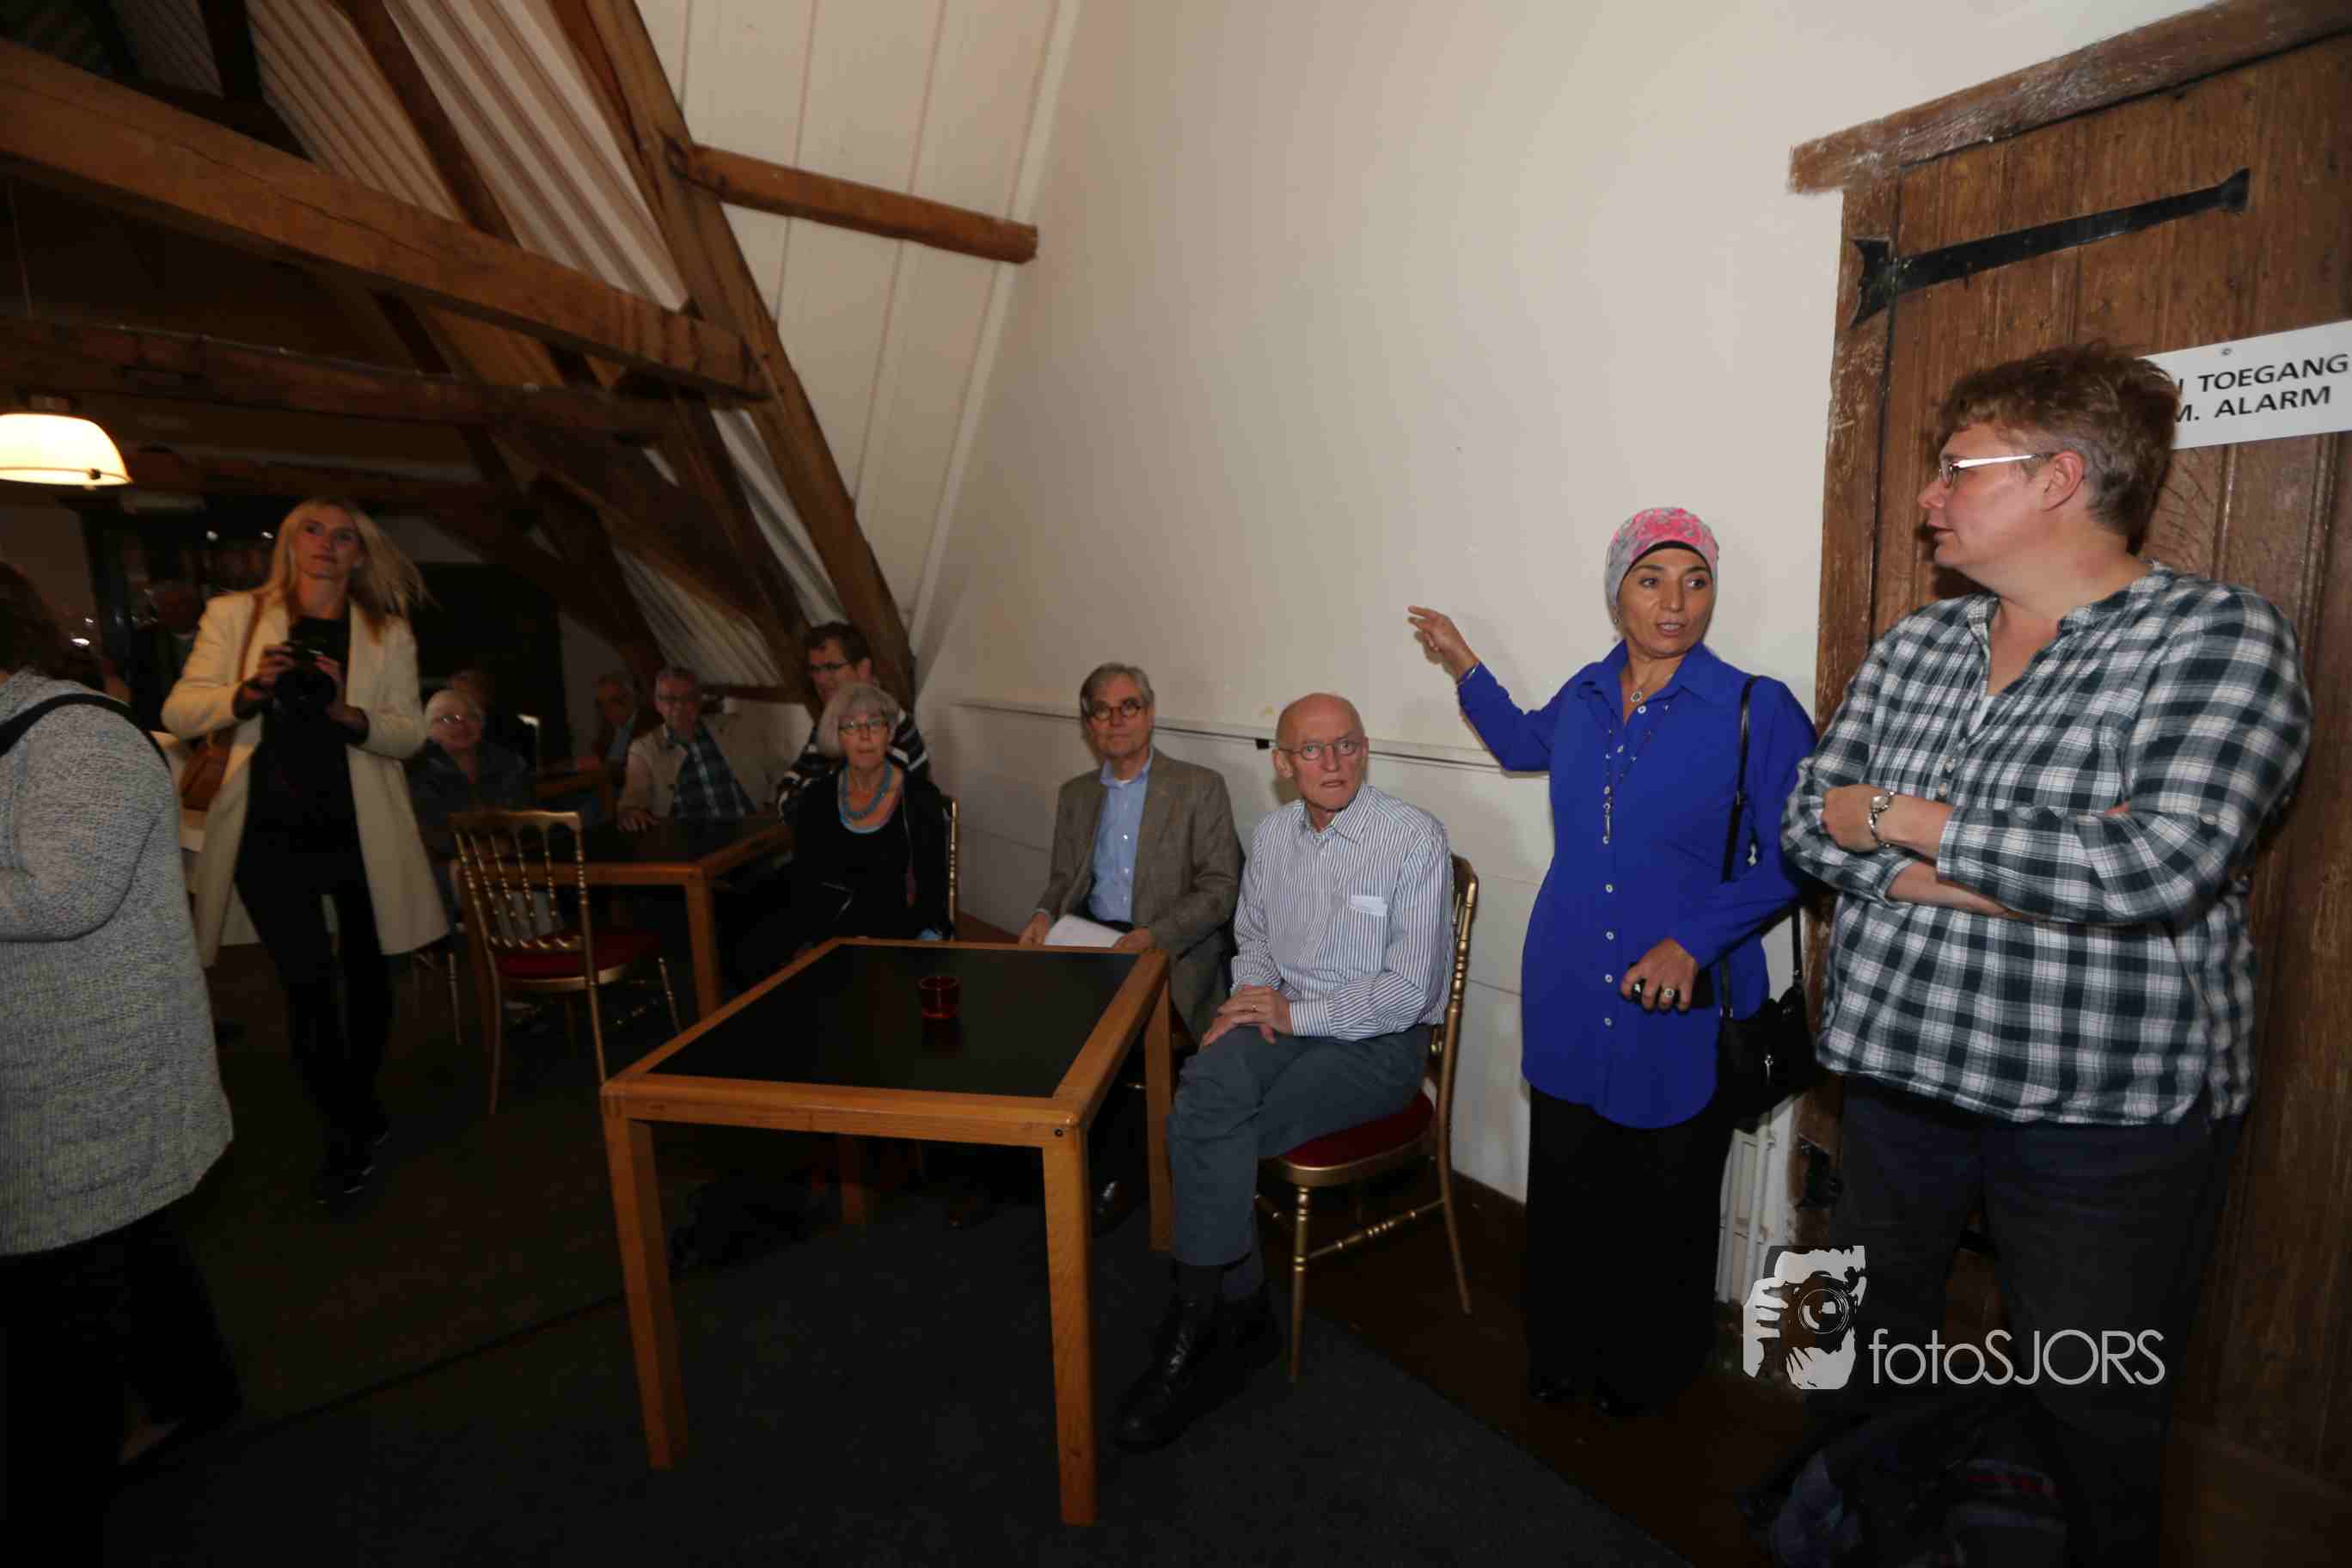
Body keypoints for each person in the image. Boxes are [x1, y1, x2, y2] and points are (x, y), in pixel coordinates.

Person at [1780, 344, 2312, 1565]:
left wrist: (1902, 822)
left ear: (2061, 477)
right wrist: (2039, 866)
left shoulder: (2216, 637)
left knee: (2093, 1407)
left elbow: (2155, 868)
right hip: (1898, 1072)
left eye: (1957, 469)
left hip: (2101, 1109)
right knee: (1862, 1347)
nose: (1930, 497)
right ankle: (1859, 1530)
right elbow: (1810, 824)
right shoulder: (1919, 645)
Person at [1409, 506, 1816, 1418]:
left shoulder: (1756, 709)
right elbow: (1522, 743)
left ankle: (1648, 1373)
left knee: (1664, 1202)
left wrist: (1693, 941)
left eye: (1696, 581)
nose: (1676, 602)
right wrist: (1464, 662)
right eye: (1651, 580)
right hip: (1567, 983)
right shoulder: (1589, 692)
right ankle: (1560, 1354)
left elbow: (1799, 856)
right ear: (1616, 594)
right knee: (1566, 1188)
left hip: (1679, 1006)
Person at [1114, 692, 1451, 1454]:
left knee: (1221, 1130)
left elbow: (1408, 992)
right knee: (1205, 1090)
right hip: (1282, 1015)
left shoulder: (1412, 839)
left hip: (1377, 1043)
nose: (1333, 762)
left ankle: (1205, 1319)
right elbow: (1255, 940)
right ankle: (1230, 1309)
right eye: (1313, 749)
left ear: (1366, 750)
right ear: (1284, 763)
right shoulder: (1271, 836)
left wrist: (1293, 1016)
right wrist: (1246, 1003)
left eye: (1347, 745)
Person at [0, 562, 240, 1527]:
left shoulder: (79, 737)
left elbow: (62, 896)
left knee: (59, 1302)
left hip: (87, 1068)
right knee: (131, 1241)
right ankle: (198, 1393)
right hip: (54, 1060)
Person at [163, 498, 446, 1206]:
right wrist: (249, 689)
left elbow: (410, 734)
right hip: (266, 831)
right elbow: (178, 711)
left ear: (360, 554)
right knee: (308, 985)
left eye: (344, 536)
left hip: (361, 829)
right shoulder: (235, 616)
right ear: (289, 543)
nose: (326, 544)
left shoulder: (385, 630)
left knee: (370, 976)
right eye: (312, 531)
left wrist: (347, 712)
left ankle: (359, 1101)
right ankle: (345, 1133)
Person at [1017, 661, 1241, 1233]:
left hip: (1170, 949)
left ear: (1150, 713)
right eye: (1102, 710)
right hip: (1090, 938)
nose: (1116, 720)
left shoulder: (1199, 787)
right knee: (1022, 1016)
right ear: (1088, 724)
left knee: (1108, 1038)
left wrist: (1152, 936)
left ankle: (1120, 1172)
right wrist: (1043, 915)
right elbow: (1062, 881)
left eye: (1129, 707)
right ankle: (1033, 1160)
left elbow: (1221, 888)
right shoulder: (1075, 795)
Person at [733, 681, 952, 977]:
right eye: (850, 726)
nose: (864, 735)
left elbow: (932, 897)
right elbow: (807, 886)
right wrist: (822, 942)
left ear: (889, 733)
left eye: (875, 724)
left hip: (900, 936)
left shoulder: (921, 798)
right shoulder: (816, 798)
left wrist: (877, 940)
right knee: (751, 948)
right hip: (832, 936)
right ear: (836, 736)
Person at [406, 685, 536, 924]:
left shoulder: (508, 762)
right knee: (470, 876)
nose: (462, 726)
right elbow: (432, 830)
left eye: (471, 717)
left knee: (530, 883)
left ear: (482, 723)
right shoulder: (417, 770)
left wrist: (503, 844)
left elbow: (526, 815)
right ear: (428, 729)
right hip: (446, 865)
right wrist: (479, 850)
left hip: (507, 856)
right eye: (448, 719)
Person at [773, 622, 930, 812]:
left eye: (832, 667)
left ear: (863, 669)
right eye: (815, 669)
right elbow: (787, 787)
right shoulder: (830, 720)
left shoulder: (887, 722)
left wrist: (807, 796)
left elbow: (857, 806)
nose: (820, 679)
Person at [617, 664, 793, 831]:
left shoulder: (734, 727)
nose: (679, 706)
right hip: (688, 843)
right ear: (657, 704)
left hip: (748, 831)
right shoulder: (644, 749)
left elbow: (779, 771)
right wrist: (630, 811)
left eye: (688, 698)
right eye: (670, 699)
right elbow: (633, 797)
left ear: (699, 701)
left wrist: (773, 807)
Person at [124, 579, 205, 730]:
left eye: (181, 604)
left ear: (195, 606)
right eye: (167, 607)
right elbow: (140, 692)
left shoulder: (212, 634)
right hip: (163, 725)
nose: (175, 612)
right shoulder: (145, 641)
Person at [572, 669, 658, 793]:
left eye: (614, 701)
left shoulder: (649, 722)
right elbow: (599, 756)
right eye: (602, 703)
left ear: (631, 698)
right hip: (605, 788)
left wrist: (607, 767)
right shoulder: (608, 726)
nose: (606, 709)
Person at [446, 667, 535, 770]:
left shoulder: (507, 725)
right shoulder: (450, 723)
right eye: (453, 694)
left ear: (483, 694)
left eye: (463, 693)